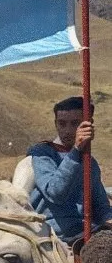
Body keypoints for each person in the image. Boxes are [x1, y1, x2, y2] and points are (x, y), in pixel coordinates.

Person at [28, 96, 112, 248]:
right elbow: (55, 193)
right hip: (52, 234)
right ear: (55, 124)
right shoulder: (43, 154)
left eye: (75, 124)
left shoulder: (89, 162)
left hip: (87, 232)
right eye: (62, 123)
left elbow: (101, 207)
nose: (67, 130)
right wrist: (76, 150)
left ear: (88, 125)